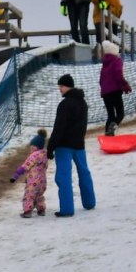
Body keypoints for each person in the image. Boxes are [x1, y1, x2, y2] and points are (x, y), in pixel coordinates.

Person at [46, 74, 95, 217]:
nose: (59, 89)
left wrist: (51, 147)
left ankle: (67, 209)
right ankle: (89, 202)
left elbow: (59, 127)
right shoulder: (82, 103)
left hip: (64, 146)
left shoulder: (65, 104)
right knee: (84, 173)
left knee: (63, 176)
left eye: (61, 86)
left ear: (68, 86)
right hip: (79, 145)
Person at [10, 130, 49, 218]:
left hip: (33, 180)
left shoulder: (33, 156)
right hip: (43, 180)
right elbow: (46, 166)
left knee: (29, 195)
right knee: (39, 195)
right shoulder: (44, 154)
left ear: (38, 146)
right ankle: (41, 209)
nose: (31, 147)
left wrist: (16, 175)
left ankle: (27, 211)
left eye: (33, 145)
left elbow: (25, 166)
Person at [99, 40, 132, 136]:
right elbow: (118, 75)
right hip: (115, 91)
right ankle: (113, 127)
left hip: (105, 93)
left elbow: (101, 80)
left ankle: (107, 136)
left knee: (110, 116)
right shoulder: (117, 61)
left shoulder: (104, 63)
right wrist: (125, 85)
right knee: (120, 114)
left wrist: (105, 89)